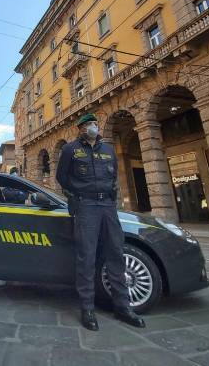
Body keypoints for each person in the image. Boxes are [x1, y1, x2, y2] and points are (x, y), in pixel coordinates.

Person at [56, 113, 145, 331]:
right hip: (86, 206)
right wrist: (75, 196)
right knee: (86, 257)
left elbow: (113, 176)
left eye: (95, 123)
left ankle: (123, 307)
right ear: (80, 128)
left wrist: (112, 198)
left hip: (107, 206)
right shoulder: (70, 150)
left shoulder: (108, 149)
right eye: (88, 124)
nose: (93, 127)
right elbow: (62, 177)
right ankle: (87, 308)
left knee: (116, 254)